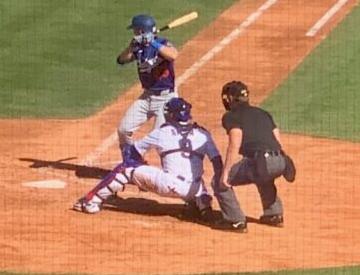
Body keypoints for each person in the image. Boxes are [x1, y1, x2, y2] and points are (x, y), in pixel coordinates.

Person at [73, 97, 222, 223]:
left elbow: (133, 153)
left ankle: (91, 201)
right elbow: (217, 161)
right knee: (196, 178)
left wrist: (140, 169)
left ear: (170, 115)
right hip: (194, 190)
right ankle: (201, 204)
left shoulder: (161, 132)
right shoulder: (203, 134)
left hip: (168, 185)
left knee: (126, 169)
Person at [212, 81, 296, 232]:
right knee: (262, 174)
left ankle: (235, 221)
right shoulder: (263, 113)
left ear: (231, 98)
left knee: (219, 182)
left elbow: (234, 142)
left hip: (262, 162)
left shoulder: (231, 116)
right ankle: (274, 214)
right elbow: (277, 140)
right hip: (281, 161)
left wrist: (225, 173)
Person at [113, 14, 179, 155]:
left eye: (135, 30)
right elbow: (121, 60)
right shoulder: (138, 47)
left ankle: (169, 169)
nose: (133, 32)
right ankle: (131, 160)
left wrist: (153, 43)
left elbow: (173, 55)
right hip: (147, 97)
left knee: (159, 138)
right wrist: (130, 47)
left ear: (141, 31)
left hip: (166, 99)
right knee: (123, 129)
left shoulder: (163, 43)